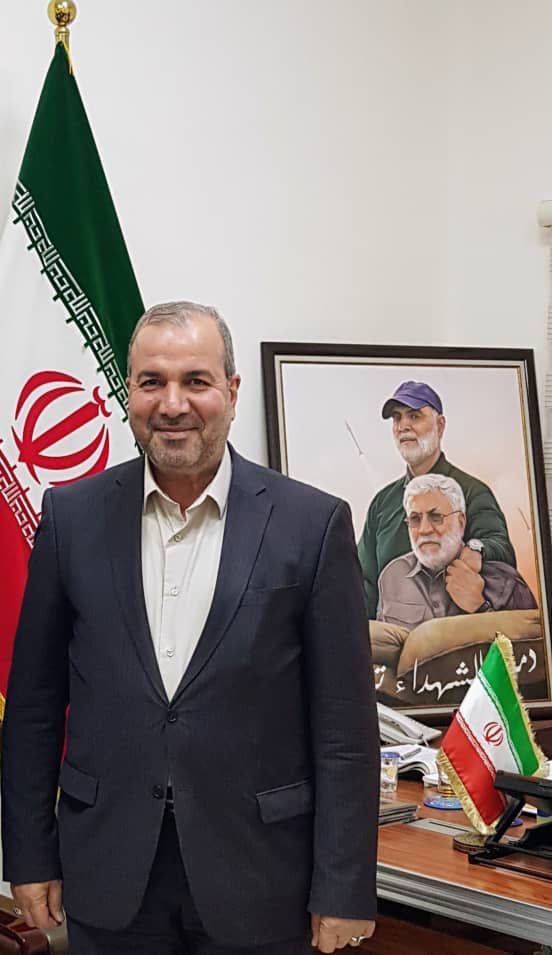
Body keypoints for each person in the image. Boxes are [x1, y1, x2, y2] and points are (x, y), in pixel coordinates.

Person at [1, 302, 379, 955]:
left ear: (231, 390)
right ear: (128, 392)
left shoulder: (311, 526)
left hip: (262, 878)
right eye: (152, 382)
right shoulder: (70, 518)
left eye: (195, 381)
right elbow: (33, 707)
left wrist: (344, 887)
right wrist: (29, 854)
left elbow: (344, 729)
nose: (172, 404)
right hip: (109, 872)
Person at [357, 380, 516, 619]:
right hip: (392, 637)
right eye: (397, 418)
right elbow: (363, 582)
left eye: (414, 416)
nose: (403, 426)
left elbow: (501, 549)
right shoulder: (382, 504)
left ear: (440, 425)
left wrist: (476, 550)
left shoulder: (473, 492)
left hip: (459, 635)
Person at [377, 474, 536, 630]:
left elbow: (530, 644)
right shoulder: (392, 576)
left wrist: (480, 607)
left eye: (436, 517)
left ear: (460, 522)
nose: (424, 529)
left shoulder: (505, 581)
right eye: (415, 519)